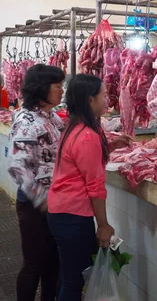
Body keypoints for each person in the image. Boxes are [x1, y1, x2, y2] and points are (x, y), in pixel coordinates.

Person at [47, 74, 131, 301]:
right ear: (90, 100)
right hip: (71, 215)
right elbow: (95, 187)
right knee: (74, 282)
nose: (107, 100)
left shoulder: (77, 127)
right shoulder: (86, 135)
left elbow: (82, 162)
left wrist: (110, 145)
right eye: (103, 95)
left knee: (69, 276)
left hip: (62, 212)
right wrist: (103, 225)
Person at [7, 64, 65, 301]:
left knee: (53, 261)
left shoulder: (50, 117)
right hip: (35, 206)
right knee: (34, 264)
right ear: (42, 88)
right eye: (57, 86)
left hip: (52, 201)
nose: (61, 91)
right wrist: (43, 201)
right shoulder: (28, 120)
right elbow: (17, 166)